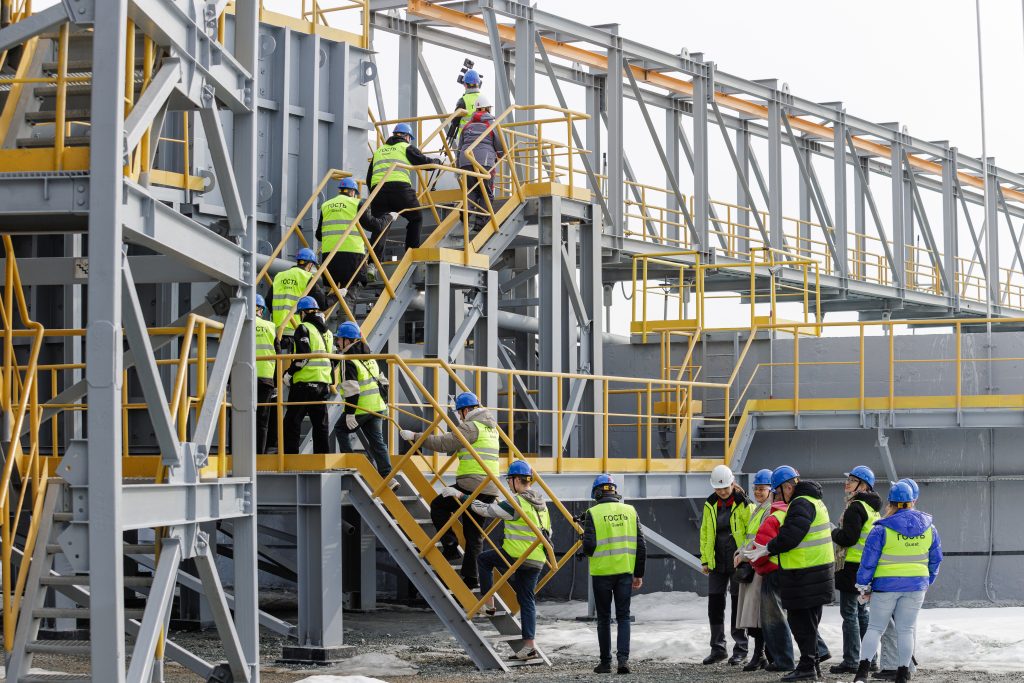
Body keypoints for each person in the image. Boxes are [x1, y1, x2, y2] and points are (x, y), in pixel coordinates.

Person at [400, 391, 499, 589]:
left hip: (472, 484)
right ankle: (471, 579)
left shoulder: (471, 426)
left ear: (466, 410)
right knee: (474, 534)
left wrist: (415, 437)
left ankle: (451, 545)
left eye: (459, 413)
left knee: (439, 506)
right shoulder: (491, 428)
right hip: (489, 488)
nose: (460, 418)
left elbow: (444, 443)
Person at [746, 465, 834, 681]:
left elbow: (791, 535)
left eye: (777, 492)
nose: (777, 497)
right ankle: (812, 665)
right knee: (809, 623)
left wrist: (768, 548)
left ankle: (807, 667)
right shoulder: (815, 501)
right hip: (817, 571)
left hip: (804, 573)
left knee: (800, 622)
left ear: (787, 487)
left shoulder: (800, 503)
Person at [853, 482, 942, 683]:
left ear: (890, 503)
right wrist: (927, 580)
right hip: (916, 587)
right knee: (906, 630)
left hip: (885, 587)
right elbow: (936, 559)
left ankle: (862, 674)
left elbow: (868, 562)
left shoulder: (881, 529)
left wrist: (863, 585)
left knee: (875, 628)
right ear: (913, 501)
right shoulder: (930, 528)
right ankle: (902, 675)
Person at [463, 459, 550, 662]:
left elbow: (485, 510)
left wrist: (462, 496)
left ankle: (488, 604)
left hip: (517, 554)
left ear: (516, 480)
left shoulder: (516, 501)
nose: (508, 484)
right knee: (527, 600)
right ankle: (529, 647)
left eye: (509, 480)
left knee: (484, 560)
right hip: (537, 558)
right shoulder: (542, 503)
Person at [583, 474, 646, 675]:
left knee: (604, 618)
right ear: (614, 491)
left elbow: (589, 547)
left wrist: (583, 538)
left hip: (602, 573)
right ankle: (623, 661)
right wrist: (638, 573)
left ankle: (605, 663)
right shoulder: (630, 511)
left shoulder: (592, 513)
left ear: (597, 493)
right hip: (625, 572)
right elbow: (641, 545)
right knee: (623, 616)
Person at [830, 465, 883, 675]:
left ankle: (852, 660)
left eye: (852, 480)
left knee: (850, 614)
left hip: (851, 567)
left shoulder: (855, 507)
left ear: (863, 486)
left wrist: (834, 532)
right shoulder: (872, 509)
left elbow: (849, 538)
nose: (847, 483)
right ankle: (871, 659)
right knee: (862, 614)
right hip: (866, 567)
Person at [366, 122, 444, 261]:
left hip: (378, 191)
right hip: (400, 190)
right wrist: (437, 162)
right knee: (416, 217)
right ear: (407, 136)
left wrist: (374, 193)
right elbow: (426, 163)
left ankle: (373, 263)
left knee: (380, 226)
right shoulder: (405, 147)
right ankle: (411, 253)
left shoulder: (379, 151)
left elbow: (369, 178)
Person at [699, 464, 750, 666]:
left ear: (732, 483)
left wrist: (747, 558)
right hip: (717, 561)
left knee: (738, 605)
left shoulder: (744, 503)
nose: (721, 492)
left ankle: (741, 648)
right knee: (715, 605)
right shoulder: (710, 503)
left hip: (737, 562)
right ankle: (718, 648)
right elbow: (705, 532)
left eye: (725, 488)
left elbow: (751, 532)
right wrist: (705, 559)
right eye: (718, 488)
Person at [331, 321, 393, 485]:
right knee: (378, 442)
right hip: (377, 407)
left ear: (348, 340)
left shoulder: (348, 360)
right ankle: (388, 477)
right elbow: (384, 382)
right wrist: (384, 402)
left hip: (360, 408)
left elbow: (352, 390)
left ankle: (350, 463)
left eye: (339, 339)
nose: (337, 342)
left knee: (340, 429)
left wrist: (350, 413)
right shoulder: (369, 357)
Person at [875, 478, 921, 681]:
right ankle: (906, 666)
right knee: (907, 627)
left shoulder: (889, 525)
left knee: (889, 625)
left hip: (890, 583)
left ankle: (892, 667)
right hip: (914, 584)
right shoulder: (922, 524)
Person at [316, 177, 395, 294]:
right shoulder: (357, 203)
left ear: (340, 190)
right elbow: (375, 226)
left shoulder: (326, 205)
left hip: (329, 258)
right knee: (350, 292)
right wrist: (390, 217)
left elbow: (319, 235)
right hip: (352, 257)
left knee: (332, 292)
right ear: (353, 192)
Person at [751, 475, 797, 673]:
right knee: (795, 616)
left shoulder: (774, 517)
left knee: (774, 619)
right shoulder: (793, 514)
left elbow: (761, 547)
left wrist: (753, 563)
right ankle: (817, 651)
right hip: (791, 570)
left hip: (772, 572)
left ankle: (783, 660)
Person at [282, 296, 333, 455]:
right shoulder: (328, 333)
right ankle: (322, 459)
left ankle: (290, 459)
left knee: (292, 422)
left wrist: (289, 373)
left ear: (303, 313)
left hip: (304, 383)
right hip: (323, 383)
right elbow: (333, 359)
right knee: (320, 424)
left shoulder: (303, 328)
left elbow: (303, 356)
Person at [735, 468, 774, 671]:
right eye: (756, 488)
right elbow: (750, 537)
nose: (758, 492)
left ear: (771, 490)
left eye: (762, 489)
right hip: (753, 564)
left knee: (757, 614)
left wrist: (742, 555)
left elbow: (760, 540)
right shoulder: (759, 508)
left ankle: (761, 654)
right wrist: (740, 552)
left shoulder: (767, 510)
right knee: (755, 614)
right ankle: (764, 654)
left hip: (758, 566)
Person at [455, 95, 504, 233]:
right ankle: (479, 224)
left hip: (465, 161)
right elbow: (500, 146)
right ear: (487, 109)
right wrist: (501, 155)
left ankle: (465, 214)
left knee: (472, 190)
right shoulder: (492, 124)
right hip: (484, 162)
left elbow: (460, 147)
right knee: (486, 193)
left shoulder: (467, 126)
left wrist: (459, 166)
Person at [272, 247, 324, 351]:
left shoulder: (279, 276)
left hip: (278, 329)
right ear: (310, 265)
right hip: (297, 328)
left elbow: (269, 300)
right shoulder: (307, 277)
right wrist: (337, 295)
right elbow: (322, 303)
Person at [254, 293, 280, 454]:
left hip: (242, 377)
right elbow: (278, 357)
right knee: (262, 419)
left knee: (237, 416)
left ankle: (235, 452)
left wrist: (229, 382)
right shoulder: (270, 326)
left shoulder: (239, 325)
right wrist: (276, 384)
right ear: (261, 310)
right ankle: (259, 454)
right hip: (265, 379)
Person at [447, 68, 483, 141]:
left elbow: (455, 121)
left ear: (465, 85)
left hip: (466, 138)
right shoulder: (484, 99)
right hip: (483, 137)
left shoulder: (463, 100)